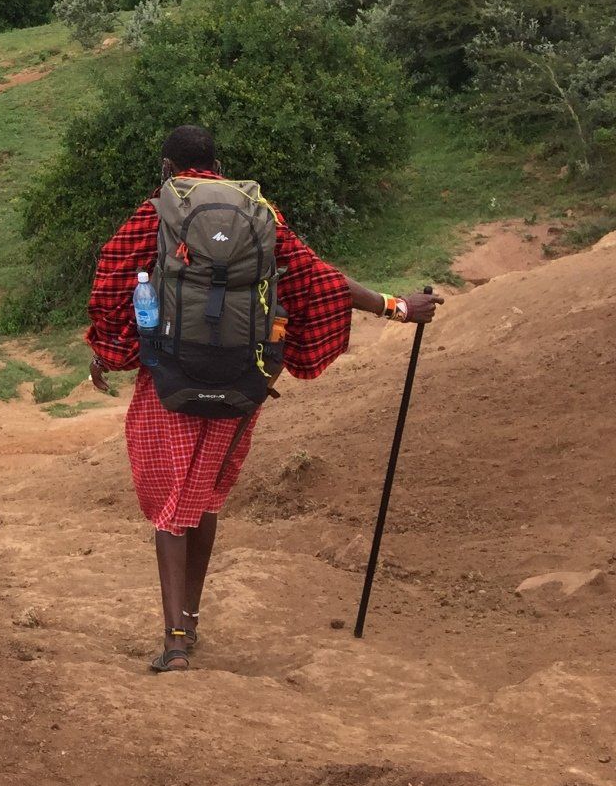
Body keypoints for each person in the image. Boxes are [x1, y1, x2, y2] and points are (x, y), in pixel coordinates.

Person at [86, 124, 440, 672]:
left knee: (172, 505)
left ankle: (175, 643)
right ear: (219, 166)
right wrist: (397, 307)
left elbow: (111, 283)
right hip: (241, 378)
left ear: (166, 168)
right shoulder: (260, 214)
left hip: (170, 382)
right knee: (202, 498)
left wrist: (110, 352)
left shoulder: (157, 211)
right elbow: (318, 281)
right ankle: (190, 621)